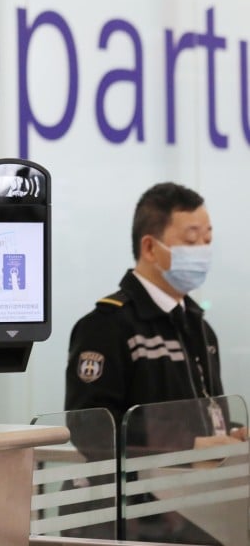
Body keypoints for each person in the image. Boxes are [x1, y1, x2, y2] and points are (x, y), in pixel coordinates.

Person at [65, 182, 242, 543]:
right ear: (150, 247)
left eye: (208, 240)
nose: (203, 251)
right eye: (192, 241)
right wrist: (187, 447)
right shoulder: (107, 326)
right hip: (126, 518)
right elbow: (93, 429)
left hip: (194, 510)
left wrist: (232, 436)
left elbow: (202, 415)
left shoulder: (199, 328)